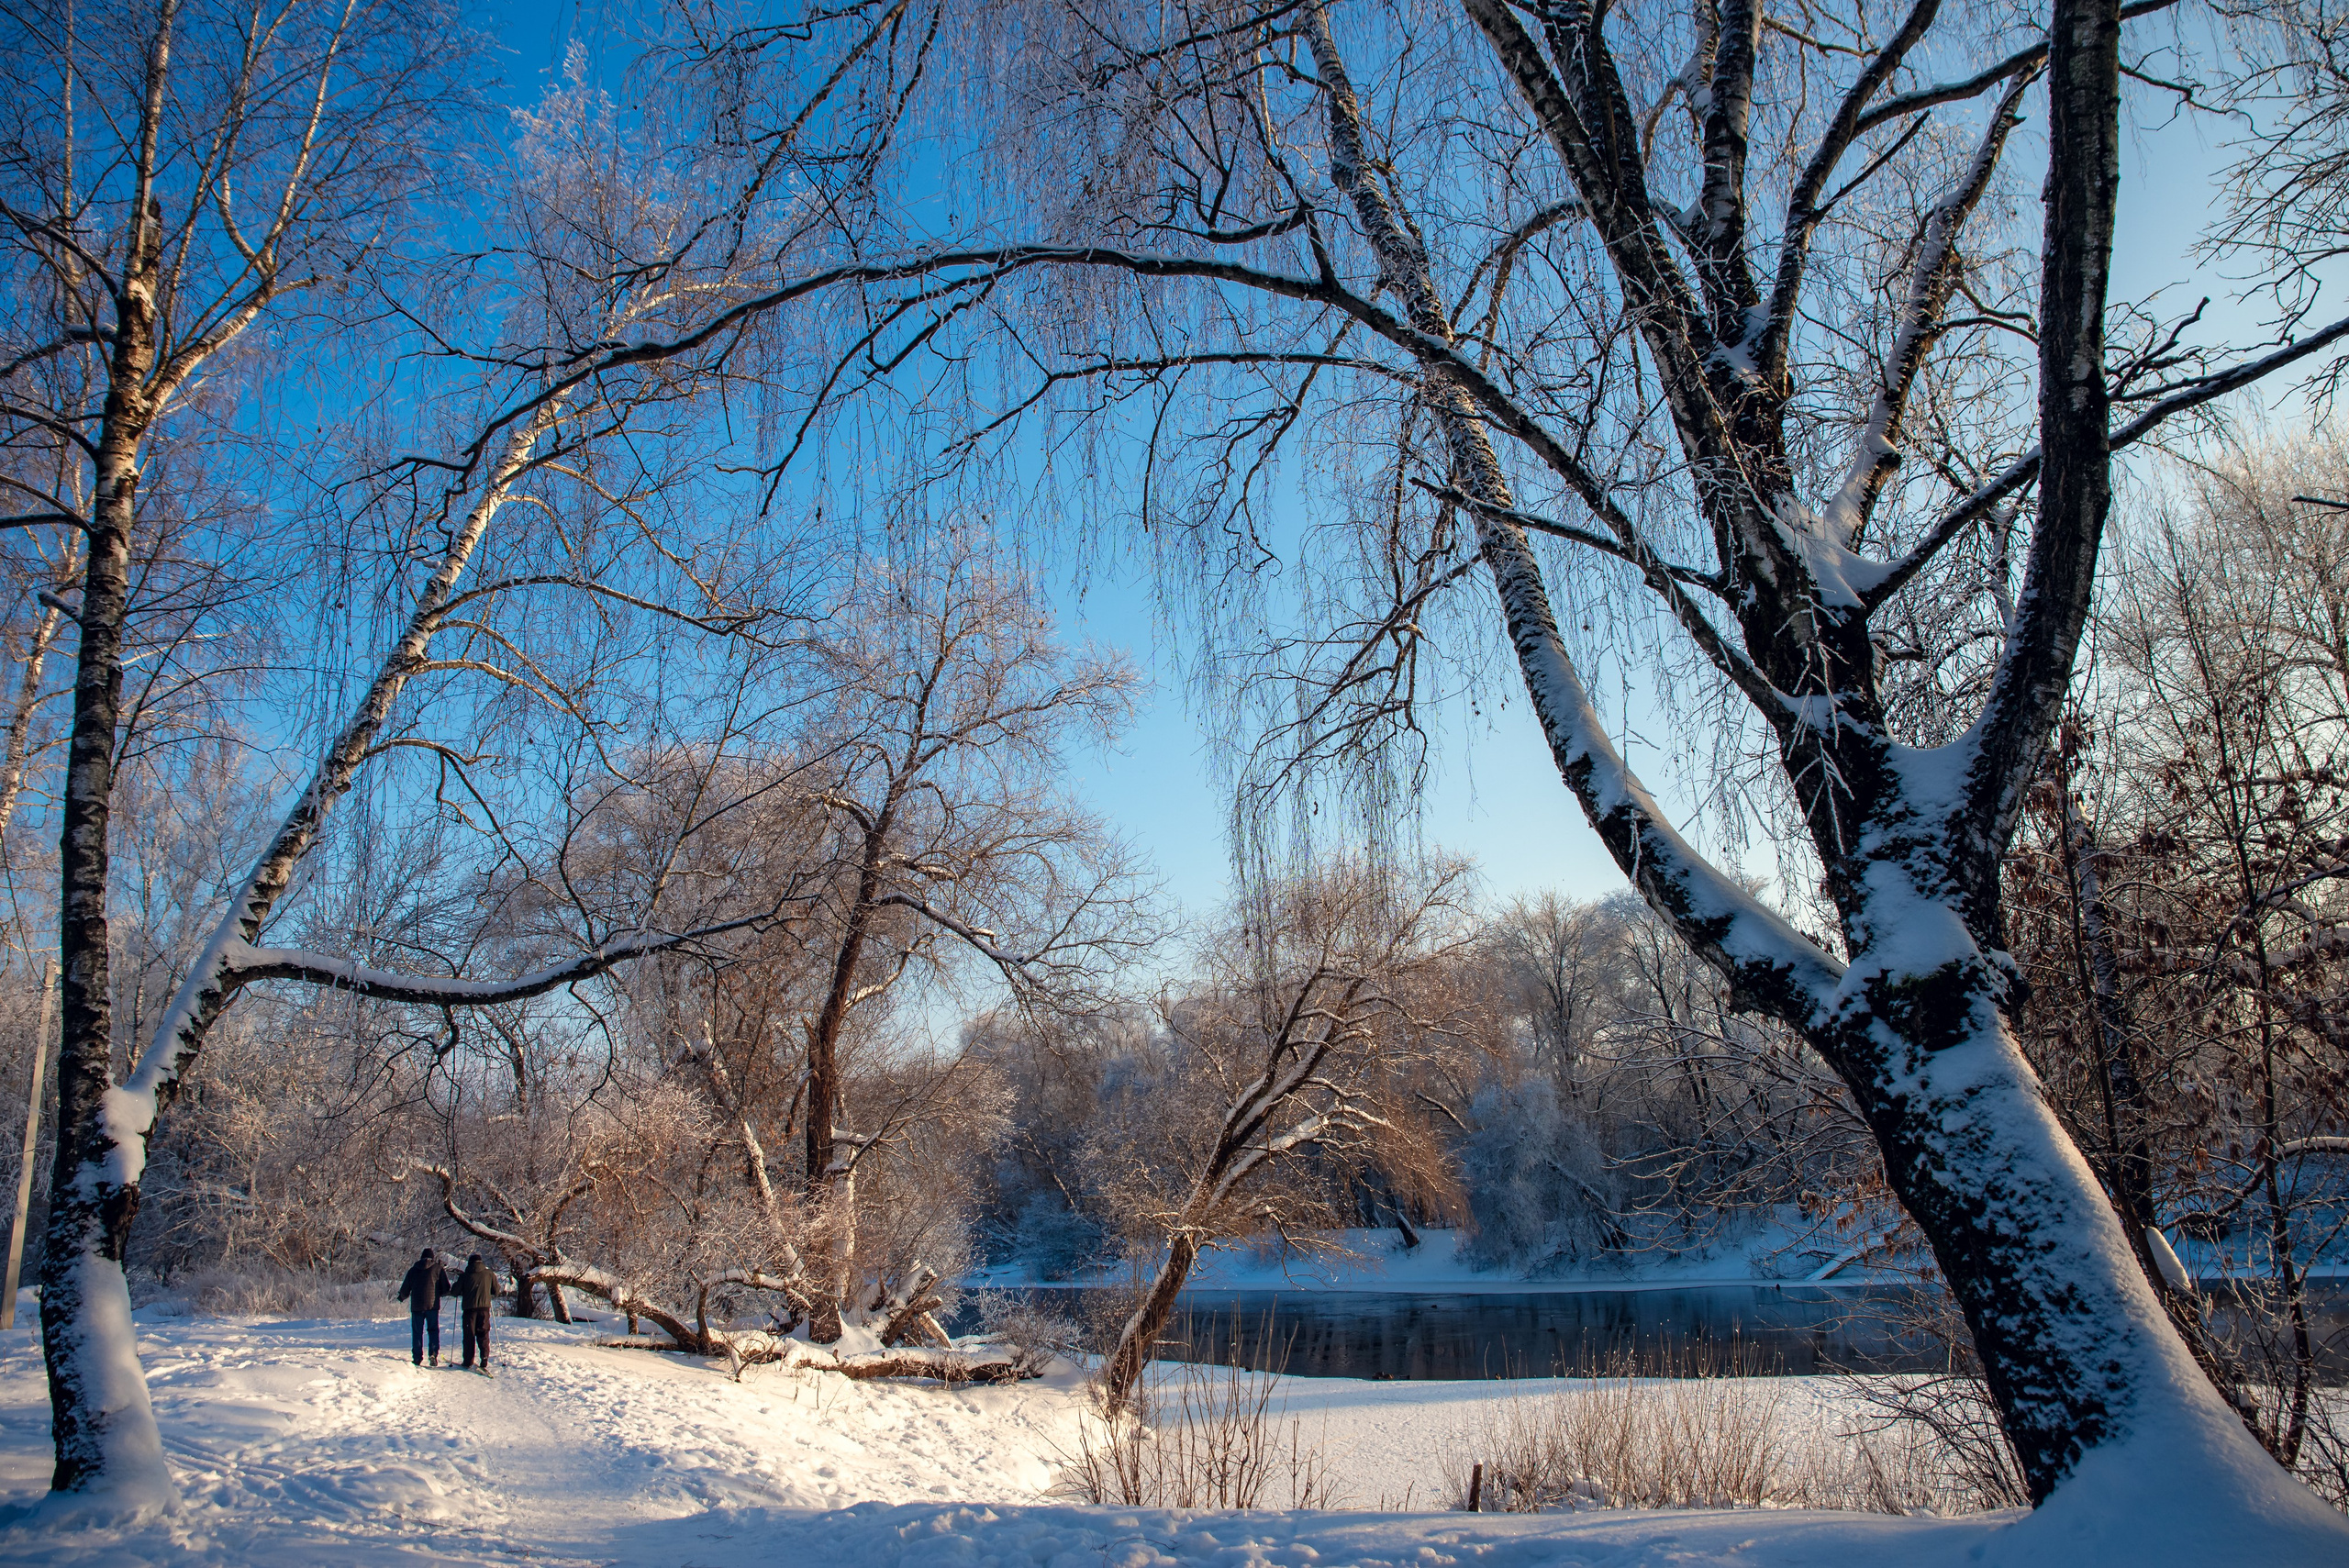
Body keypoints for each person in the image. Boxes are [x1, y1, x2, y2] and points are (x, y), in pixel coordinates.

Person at [395, 1248, 454, 1366]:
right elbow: (446, 1288)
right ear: (433, 1258)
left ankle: (417, 1357)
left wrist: (401, 1297)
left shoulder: (413, 1270)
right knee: (432, 1330)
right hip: (432, 1306)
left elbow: (406, 1288)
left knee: (417, 1331)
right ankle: (433, 1353)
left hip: (417, 1306)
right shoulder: (438, 1269)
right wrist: (440, 1294)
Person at [457, 1252, 498, 1373]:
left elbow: (455, 1291)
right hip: (484, 1309)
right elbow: (496, 1290)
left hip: (469, 1310)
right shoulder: (489, 1274)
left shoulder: (465, 1276)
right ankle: (484, 1358)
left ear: (469, 1263)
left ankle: (468, 1361)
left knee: (469, 1335)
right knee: (483, 1333)